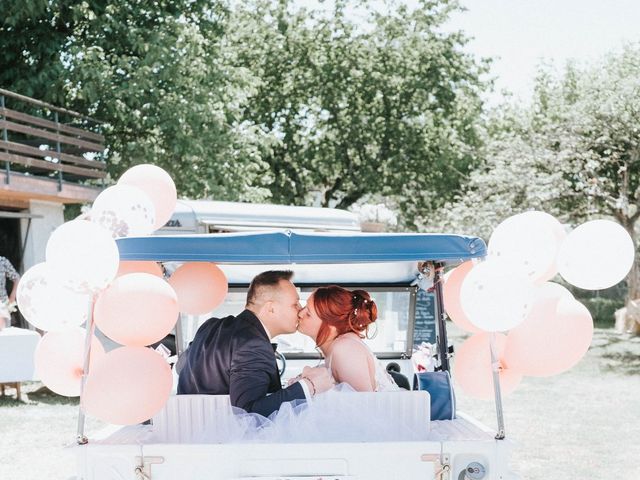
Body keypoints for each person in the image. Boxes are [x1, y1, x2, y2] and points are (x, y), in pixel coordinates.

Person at [177, 270, 334, 416]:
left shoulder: (210, 326)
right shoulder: (253, 343)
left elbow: (181, 366)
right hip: (222, 438)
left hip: (185, 424)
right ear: (271, 309)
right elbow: (249, 413)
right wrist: (308, 386)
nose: (300, 310)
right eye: (295, 304)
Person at [297, 285, 399, 392]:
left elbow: (366, 405)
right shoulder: (337, 347)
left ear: (331, 326)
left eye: (308, 314)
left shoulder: (345, 349)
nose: (300, 313)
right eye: (304, 307)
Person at [0, 256, 20, 331]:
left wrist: (12, 297)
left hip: (2, 304)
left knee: (4, 334)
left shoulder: (2, 261)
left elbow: (17, 278)